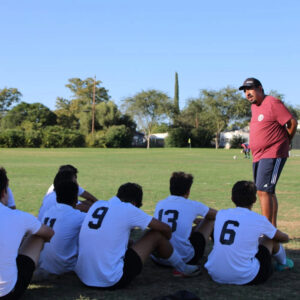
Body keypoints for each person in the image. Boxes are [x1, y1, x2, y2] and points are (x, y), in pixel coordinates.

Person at [75, 183, 200, 290]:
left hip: (84, 277)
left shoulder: (98, 205)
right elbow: (165, 228)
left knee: (129, 242)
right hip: (110, 280)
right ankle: (182, 267)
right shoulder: (128, 208)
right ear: (134, 203)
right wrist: (164, 242)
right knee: (155, 235)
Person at [205, 181, 293, 286]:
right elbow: (282, 238)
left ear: (232, 198)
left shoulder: (221, 214)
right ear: (255, 200)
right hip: (246, 277)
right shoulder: (258, 219)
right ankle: (283, 263)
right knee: (269, 238)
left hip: (215, 273)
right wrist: (286, 237)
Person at [239, 78, 298, 226]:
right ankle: (272, 229)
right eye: (245, 91)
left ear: (260, 88)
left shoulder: (272, 102)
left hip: (273, 153)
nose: (247, 93)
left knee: (263, 190)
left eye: (250, 89)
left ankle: (266, 230)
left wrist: (286, 140)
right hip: (258, 155)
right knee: (266, 191)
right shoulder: (254, 107)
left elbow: (292, 123)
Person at [0, 167, 54, 299]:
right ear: (4, 192)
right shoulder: (18, 217)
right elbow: (49, 233)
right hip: (6, 293)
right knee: (38, 236)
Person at [153, 172, 216, 270]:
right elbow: (217, 215)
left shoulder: (160, 203)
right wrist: (203, 220)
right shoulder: (193, 205)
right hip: (185, 259)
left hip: (161, 258)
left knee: (188, 230)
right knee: (211, 220)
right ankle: (219, 255)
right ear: (188, 191)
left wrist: (193, 219)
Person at [36, 180, 86, 278]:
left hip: (44, 264)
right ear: (76, 198)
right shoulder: (78, 216)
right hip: (64, 268)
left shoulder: (49, 211)